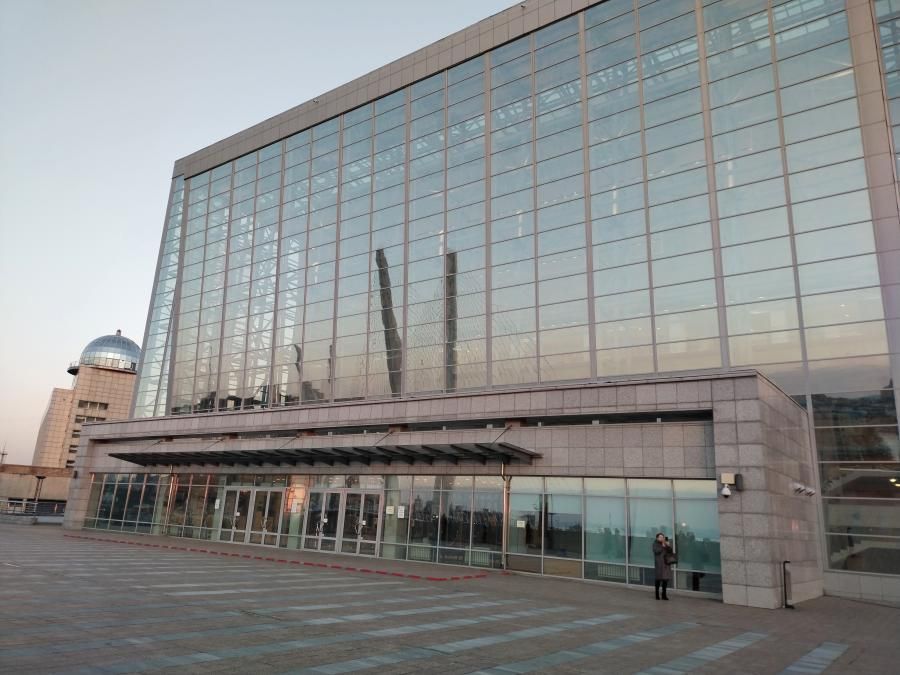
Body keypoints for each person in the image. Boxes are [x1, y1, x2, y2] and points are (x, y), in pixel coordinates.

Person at [652, 532, 674, 600]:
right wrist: (662, 546)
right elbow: (656, 551)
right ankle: (657, 594)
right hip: (659, 564)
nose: (662, 538)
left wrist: (668, 545)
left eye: (662, 537)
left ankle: (664, 595)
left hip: (666, 564)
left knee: (665, 580)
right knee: (658, 580)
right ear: (657, 538)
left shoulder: (665, 543)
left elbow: (670, 551)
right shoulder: (655, 543)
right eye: (660, 537)